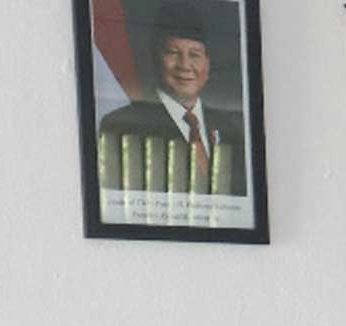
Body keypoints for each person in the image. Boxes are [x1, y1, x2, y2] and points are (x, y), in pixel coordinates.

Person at [96, 3, 249, 195]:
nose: (185, 65)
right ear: (155, 57)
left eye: (195, 54)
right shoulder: (121, 124)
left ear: (207, 64)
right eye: (173, 53)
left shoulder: (230, 130)